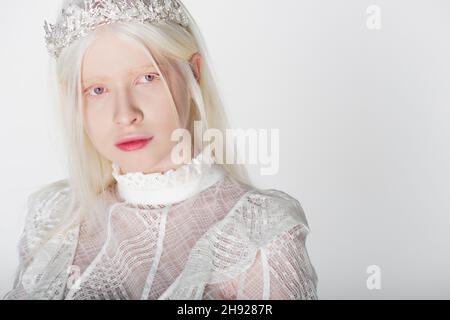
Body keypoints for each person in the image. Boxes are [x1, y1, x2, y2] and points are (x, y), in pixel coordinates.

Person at [3, 0, 318, 300]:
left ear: (194, 72)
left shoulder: (261, 233)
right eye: (97, 89)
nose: (125, 114)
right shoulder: (55, 215)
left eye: (146, 77)